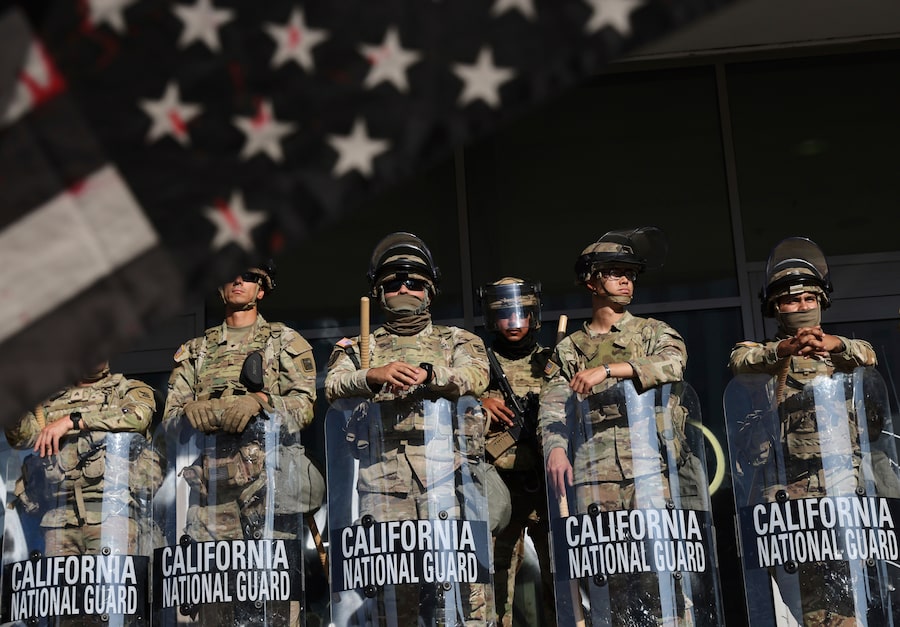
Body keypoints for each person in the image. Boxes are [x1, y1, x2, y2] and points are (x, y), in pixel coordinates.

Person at [325, 232, 504, 626]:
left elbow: (475, 375)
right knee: (393, 594)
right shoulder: (356, 347)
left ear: (430, 290)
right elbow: (332, 386)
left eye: (414, 282)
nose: (403, 289)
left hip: (449, 476)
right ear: (378, 292)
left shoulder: (456, 339)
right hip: (382, 480)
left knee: (462, 589)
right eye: (392, 284)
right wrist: (372, 374)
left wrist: (429, 373)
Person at [539, 226, 715, 626]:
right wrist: (555, 449)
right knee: (606, 585)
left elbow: (673, 365)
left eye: (630, 272)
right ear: (590, 280)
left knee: (665, 578)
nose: (625, 279)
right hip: (592, 475)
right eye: (614, 271)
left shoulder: (653, 331)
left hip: (650, 470)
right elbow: (552, 406)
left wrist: (609, 370)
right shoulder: (569, 349)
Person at [728, 236, 899, 625]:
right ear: (775, 308)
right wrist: (784, 351)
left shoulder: (842, 354)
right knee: (812, 611)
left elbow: (866, 353)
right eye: (791, 300)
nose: (802, 307)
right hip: (791, 503)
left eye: (809, 298)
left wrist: (831, 344)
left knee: (856, 603)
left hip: (845, 492)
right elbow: (742, 361)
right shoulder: (763, 357)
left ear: (821, 302)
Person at [161, 260, 319, 626]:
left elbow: (304, 406)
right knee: (213, 609)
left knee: (274, 607)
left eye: (249, 278)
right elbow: (168, 421)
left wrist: (261, 402)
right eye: (230, 275)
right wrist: (188, 412)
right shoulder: (195, 350)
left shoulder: (284, 340)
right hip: (211, 497)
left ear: (261, 290)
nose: (238, 282)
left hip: (268, 494)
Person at [5, 361, 159, 623]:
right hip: (59, 519)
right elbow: (22, 437)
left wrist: (72, 421)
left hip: (112, 515)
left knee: (113, 607)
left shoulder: (127, 389)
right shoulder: (50, 400)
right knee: (63, 610)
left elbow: (138, 417)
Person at [478, 277, 556, 627]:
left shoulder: (553, 361)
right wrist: (481, 401)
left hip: (546, 486)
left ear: (533, 316)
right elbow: (453, 393)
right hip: (499, 486)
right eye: (504, 314)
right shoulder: (478, 363)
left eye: (521, 314)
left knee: (561, 578)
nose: (513, 322)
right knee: (495, 585)